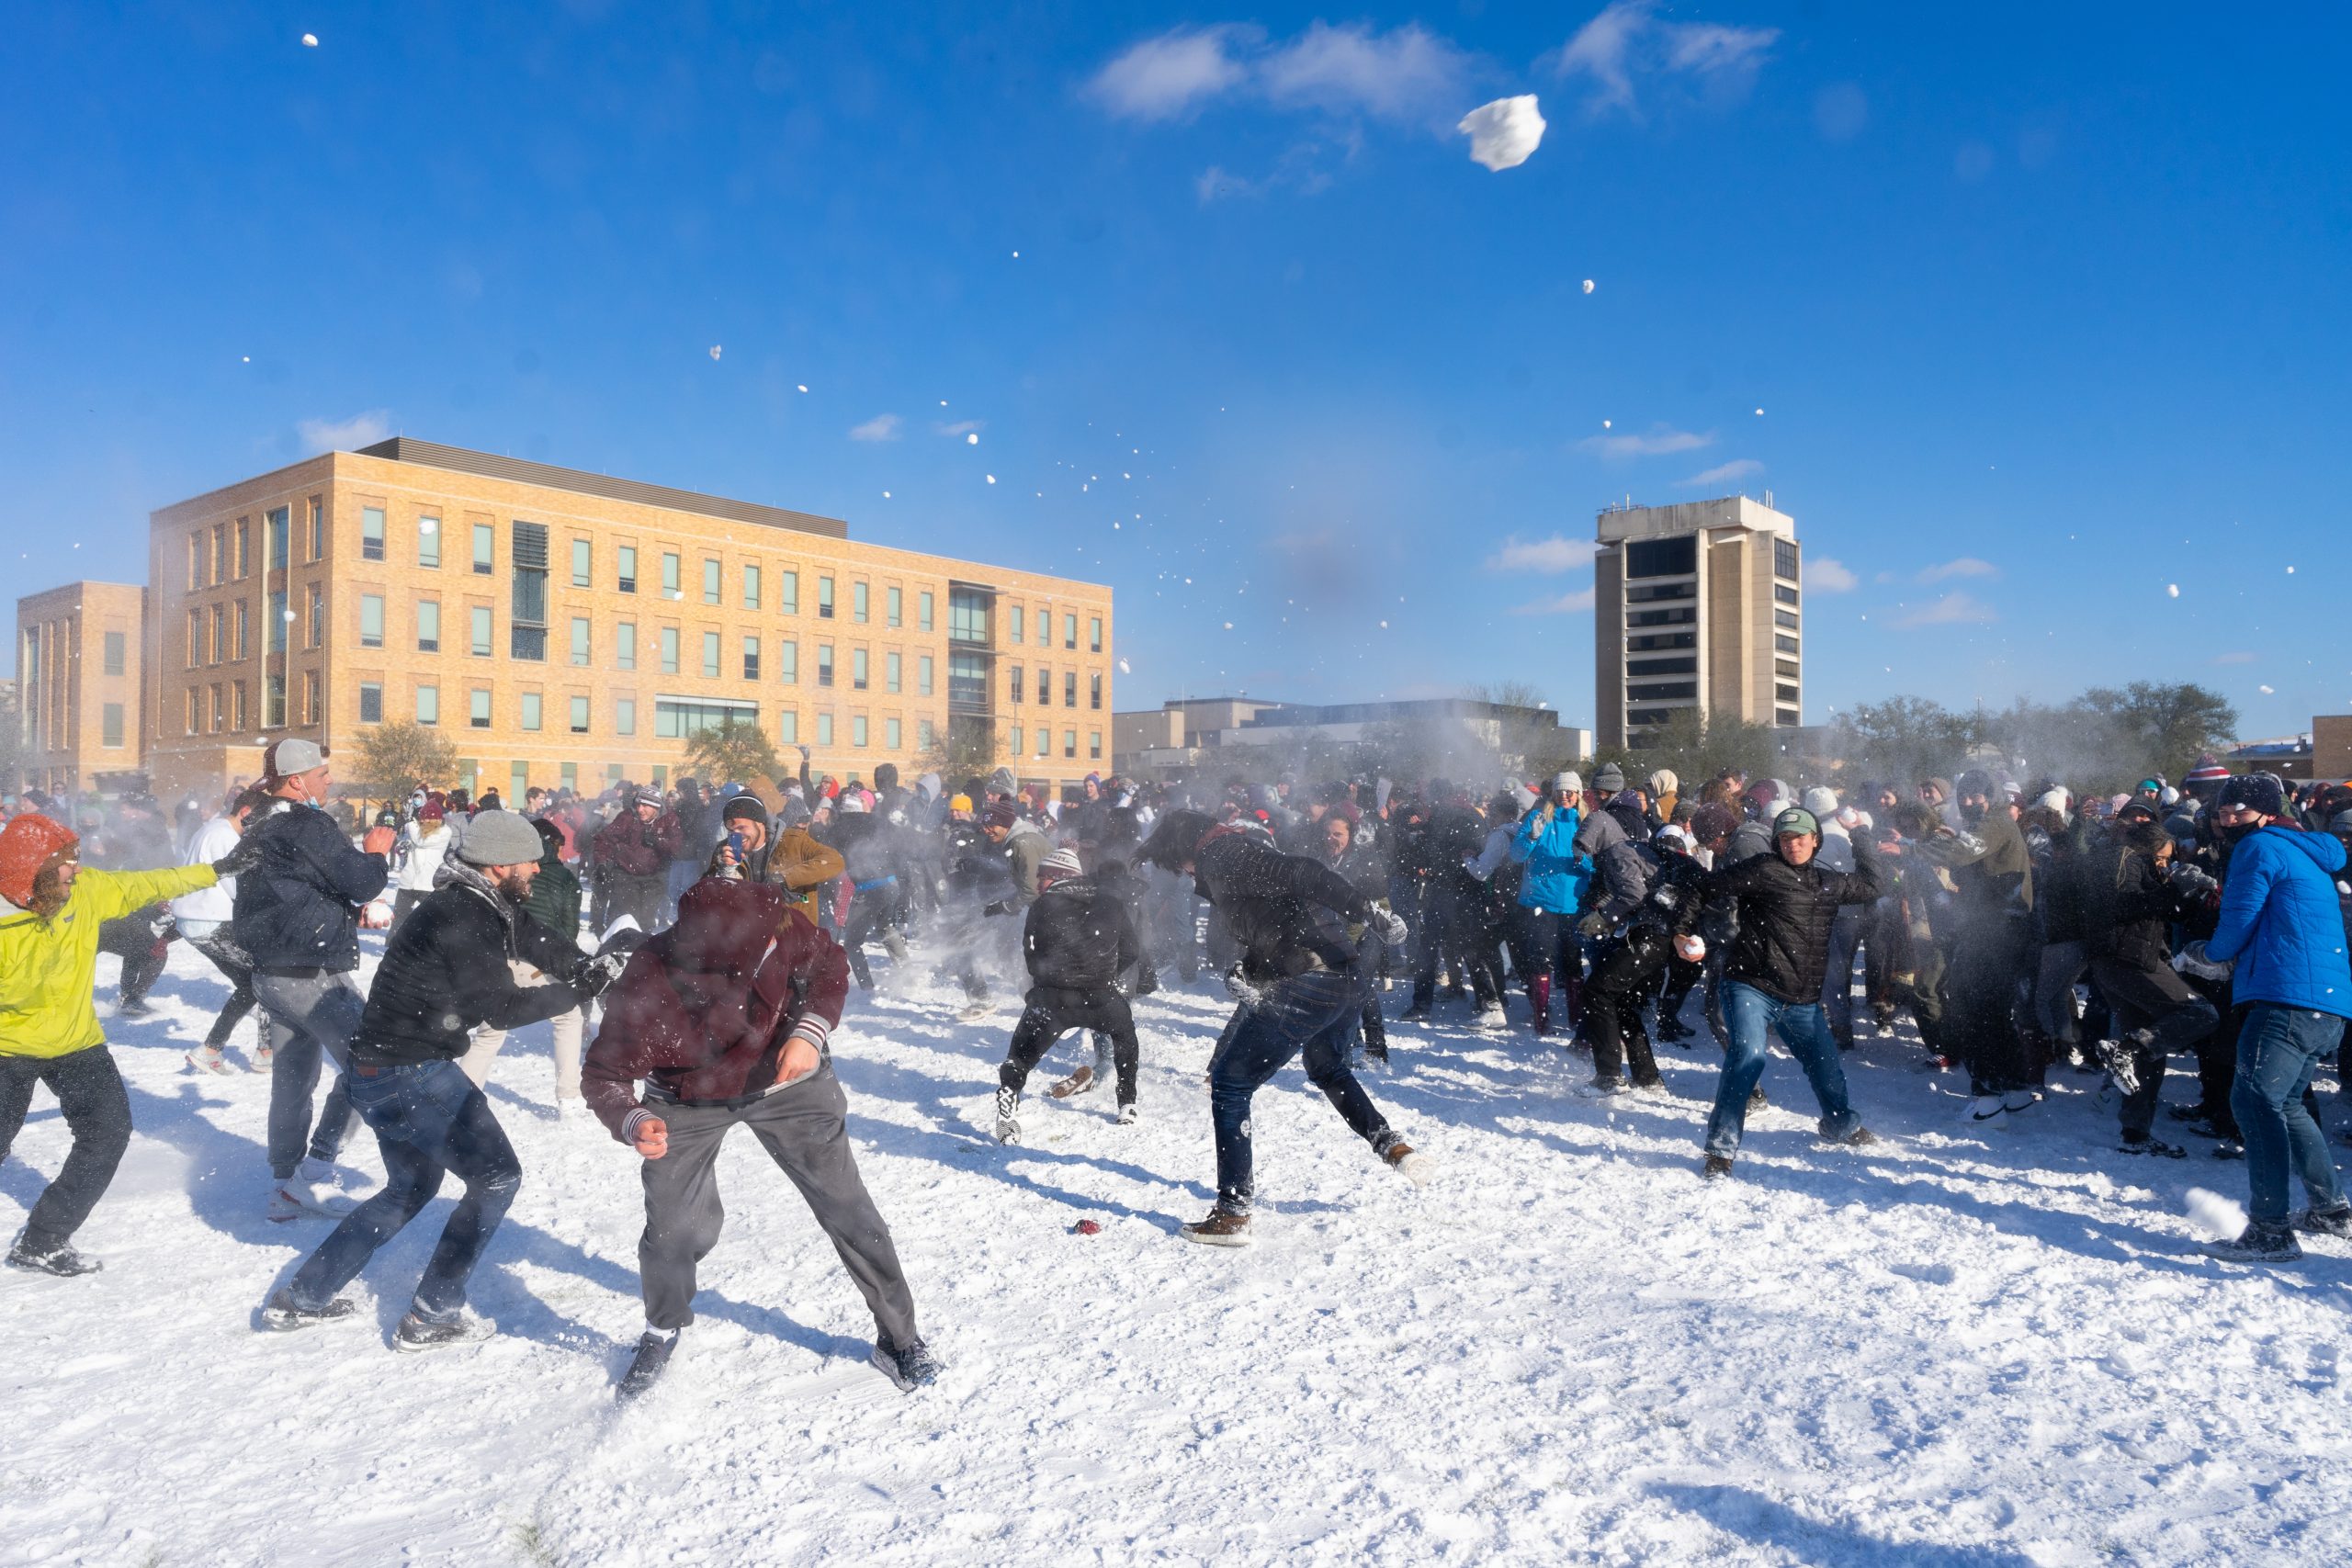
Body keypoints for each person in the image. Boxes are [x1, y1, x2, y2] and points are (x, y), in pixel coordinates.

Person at [261, 811, 612, 1347]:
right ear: (497, 866)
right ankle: (433, 1312)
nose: (541, 868)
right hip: (411, 1077)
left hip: (378, 1073)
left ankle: (302, 1298)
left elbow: (534, 936)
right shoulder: (461, 916)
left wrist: (585, 968)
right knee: (497, 1178)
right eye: (530, 861)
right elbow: (501, 1006)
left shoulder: (480, 904)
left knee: (411, 1185)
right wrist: (579, 992)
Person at [584, 874, 942, 1397]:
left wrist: (809, 1032)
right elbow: (604, 1076)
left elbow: (828, 964)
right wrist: (633, 1120)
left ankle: (898, 1337)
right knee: (675, 1230)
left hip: (787, 1082)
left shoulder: (774, 921)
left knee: (848, 1208)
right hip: (686, 1098)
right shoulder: (650, 980)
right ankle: (662, 1327)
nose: (760, 961)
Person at [1138, 811, 1430, 1247]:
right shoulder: (1234, 854)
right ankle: (1391, 1145)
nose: (1187, 874)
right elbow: (1279, 925)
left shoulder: (1223, 854)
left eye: (1179, 864)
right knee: (1326, 1065)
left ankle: (1233, 1212)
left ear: (1183, 849)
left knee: (1230, 1083)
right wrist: (1249, 969)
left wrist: (1369, 913)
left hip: (1310, 978)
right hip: (1344, 975)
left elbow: (1304, 872)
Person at [0, 813, 253, 1274]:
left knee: (107, 1133)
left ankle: (44, 1239)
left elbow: (151, 882)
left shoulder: (87, 891)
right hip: (7, 1051)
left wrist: (217, 870)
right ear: (33, 869)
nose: (76, 869)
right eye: (66, 863)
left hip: (76, 1043)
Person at [235, 739, 398, 1221]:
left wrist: (341, 912)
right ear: (296, 780)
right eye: (322, 773)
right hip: (310, 974)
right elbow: (361, 880)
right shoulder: (306, 823)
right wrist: (376, 854)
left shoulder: (259, 824)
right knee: (372, 1065)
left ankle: (284, 1181)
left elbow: (293, 888)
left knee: (291, 1081)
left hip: (272, 971)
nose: (329, 781)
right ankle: (314, 1173)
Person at [2198, 773, 2352, 1261]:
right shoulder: (2306, 849)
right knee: (2286, 1104)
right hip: (2326, 1003)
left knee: (2252, 1100)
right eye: (2222, 813)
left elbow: (2238, 919)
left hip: (2286, 996)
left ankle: (2270, 1230)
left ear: (2265, 812)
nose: (2228, 821)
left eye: (2237, 811)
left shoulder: (2260, 847)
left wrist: (2207, 953)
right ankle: (2330, 1208)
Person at [1698, 807, 1885, 1179]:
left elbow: (1875, 883)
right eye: (1785, 838)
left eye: (1800, 838)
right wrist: (1684, 931)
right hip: (1750, 986)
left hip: (1801, 1000)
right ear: (1776, 842)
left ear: (1815, 840)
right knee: (1747, 1056)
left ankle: (1839, 1124)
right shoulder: (1763, 870)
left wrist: (1861, 833)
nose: (1793, 845)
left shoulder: (1829, 883)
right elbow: (1705, 888)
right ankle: (1721, 1149)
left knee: (1826, 1069)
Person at [2077, 809, 2220, 1156]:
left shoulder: (2136, 864)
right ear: (2146, 849)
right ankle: (2126, 1051)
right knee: (2202, 1014)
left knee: (2151, 1048)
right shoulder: (2122, 858)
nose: (2163, 865)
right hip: (2127, 959)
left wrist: (2188, 892)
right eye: (2161, 859)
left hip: (2122, 960)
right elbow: (2121, 904)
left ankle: (2135, 1133)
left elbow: (2155, 910)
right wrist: (2173, 890)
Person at [994, 847, 1142, 1141]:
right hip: (1100, 996)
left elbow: (1031, 952)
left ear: (1059, 876)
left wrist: (1044, 983)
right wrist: (1105, 975)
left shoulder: (1040, 906)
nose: (1037, 884)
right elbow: (1131, 951)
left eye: (1042, 877)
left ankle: (1009, 1096)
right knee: (1125, 1035)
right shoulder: (1111, 902)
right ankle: (1127, 1103)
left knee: (1020, 1054)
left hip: (1052, 998)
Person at [459, 818, 594, 1114]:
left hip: (499, 955)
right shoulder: (563, 878)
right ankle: (568, 1096)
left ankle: (461, 1098)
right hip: (529, 958)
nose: (535, 868)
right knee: (569, 1016)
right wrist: (570, 963)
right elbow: (566, 931)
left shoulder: (505, 872)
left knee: (490, 1032)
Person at [175, 786, 266, 1075]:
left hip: (197, 920)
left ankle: (223, 1050)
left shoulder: (212, 828)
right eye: (261, 821)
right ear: (246, 813)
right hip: (209, 921)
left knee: (253, 985)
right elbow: (237, 887)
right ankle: (257, 1051)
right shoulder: (225, 837)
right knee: (265, 976)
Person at [1510, 773, 1590, 1038]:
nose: (1565, 796)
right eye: (1561, 791)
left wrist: (1584, 861)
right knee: (1540, 961)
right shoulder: (1538, 818)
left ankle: (1576, 1017)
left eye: (1571, 791)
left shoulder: (1586, 823)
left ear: (1579, 794)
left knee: (1572, 963)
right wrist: (1531, 838)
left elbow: (1598, 865)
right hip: (1540, 902)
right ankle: (1541, 1018)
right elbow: (1516, 855)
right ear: (1553, 794)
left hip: (1573, 904)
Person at [594, 788, 682, 936]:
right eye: (638, 805)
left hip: (654, 878)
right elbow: (604, 839)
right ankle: (617, 947)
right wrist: (601, 862)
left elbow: (677, 847)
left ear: (656, 806)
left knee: (646, 920)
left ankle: (641, 951)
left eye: (645, 806)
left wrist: (657, 841)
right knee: (624, 918)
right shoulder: (628, 817)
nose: (640, 809)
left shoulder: (669, 819)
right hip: (626, 875)